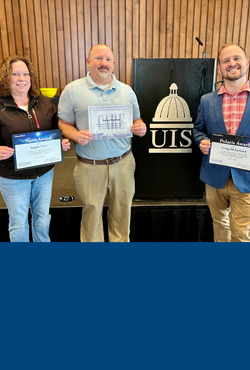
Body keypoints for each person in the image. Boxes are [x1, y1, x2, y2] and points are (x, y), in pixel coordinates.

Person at [58, 44, 146, 242]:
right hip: (90, 165)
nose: (103, 63)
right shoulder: (72, 90)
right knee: (92, 214)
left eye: (107, 59)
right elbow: (63, 124)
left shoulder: (127, 91)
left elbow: (137, 120)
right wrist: (75, 135)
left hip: (123, 163)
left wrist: (141, 127)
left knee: (122, 213)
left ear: (114, 64)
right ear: (88, 62)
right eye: (98, 59)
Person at [0, 55, 70, 242]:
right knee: (19, 222)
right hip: (13, 177)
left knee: (42, 218)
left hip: (44, 173)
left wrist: (61, 142)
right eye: (15, 74)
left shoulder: (45, 102)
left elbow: (56, 130)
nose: (22, 79)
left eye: (25, 74)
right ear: (7, 77)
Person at [193, 42, 250, 242]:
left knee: (242, 233)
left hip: (246, 179)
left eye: (237, 58)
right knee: (219, 225)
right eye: (226, 60)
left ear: (247, 63)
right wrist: (201, 141)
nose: (232, 63)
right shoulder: (207, 100)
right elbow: (198, 130)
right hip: (214, 176)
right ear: (219, 68)